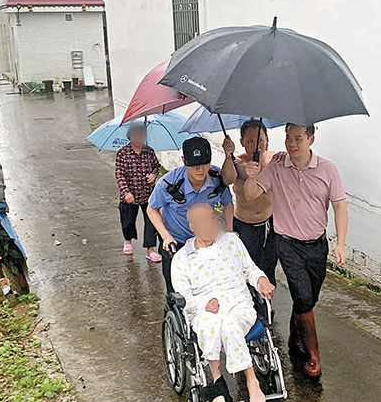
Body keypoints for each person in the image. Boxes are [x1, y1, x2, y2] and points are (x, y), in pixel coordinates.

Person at [243, 123, 348, 378]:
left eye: (298, 139)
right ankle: (314, 356)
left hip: (317, 244)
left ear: (311, 140)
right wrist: (252, 175)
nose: (291, 144)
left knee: (309, 298)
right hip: (287, 243)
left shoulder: (327, 169)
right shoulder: (277, 166)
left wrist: (341, 243)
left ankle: (295, 337)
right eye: (288, 138)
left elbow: (340, 206)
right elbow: (250, 195)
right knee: (302, 295)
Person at [170, 203, 276, 402]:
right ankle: (218, 383)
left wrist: (261, 279)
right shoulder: (182, 259)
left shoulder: (232, 242)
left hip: (238, 304)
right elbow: (183, 296)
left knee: (230, 326)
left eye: (211, 218)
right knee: (210, 325)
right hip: (204, 311)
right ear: (192, 226)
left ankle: (252, 381)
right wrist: (203, 304)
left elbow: (250, 269)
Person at [148, 136, 234, 292]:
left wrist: (228, 231)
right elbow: (152, 209)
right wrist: (166, 236)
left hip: (206, 242)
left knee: (207, 287)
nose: (200, 170)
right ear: (184, 161)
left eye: (204, 164)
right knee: (176, 290)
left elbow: (227, 204)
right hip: (176, 243)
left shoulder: (217, 178)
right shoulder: (169, 183)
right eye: (194, 166)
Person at [220, 120, 277, 284]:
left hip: (268, 224)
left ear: (267, 140)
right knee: (245, 268)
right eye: (250, 141)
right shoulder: (237, 163)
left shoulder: (272, 161)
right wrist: (228, 154)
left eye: (260, 140)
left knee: (268, 267)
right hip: (244, 225)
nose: (256, 145)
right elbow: (227, 179)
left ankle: (267, 299)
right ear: (242, 142)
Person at [114, 123, 162, 262]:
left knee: (151, 221)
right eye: (136, 134)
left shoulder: (149, 151)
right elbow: (119, 174)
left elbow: (156, 166)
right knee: (127, 220)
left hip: (147, 193)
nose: (139, 137)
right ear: (130, 136)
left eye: (142, 134)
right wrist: (126, 192)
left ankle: (150, 250)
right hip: (130, 194)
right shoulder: (123, 153)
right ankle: (128, 241)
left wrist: (153, 175)